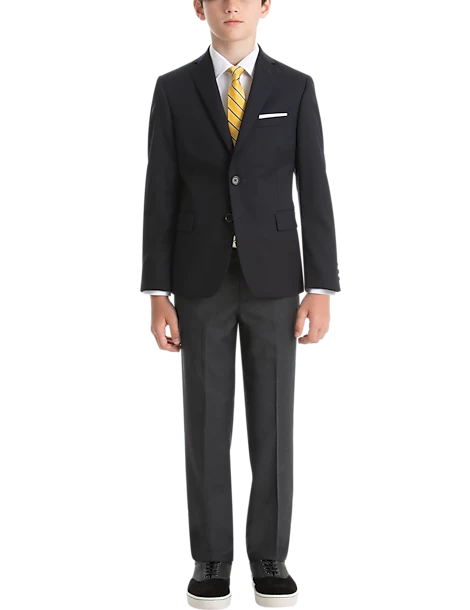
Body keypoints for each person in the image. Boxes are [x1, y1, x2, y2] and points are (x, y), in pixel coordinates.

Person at [140, 0, 341, 607]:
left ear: (266, 6)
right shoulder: (172, 90)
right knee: (205, 422)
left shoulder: (295, 88)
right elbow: (158, 192)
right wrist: (156, 291)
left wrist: (321, 286)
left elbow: (316, 187)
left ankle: (271, 554)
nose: (232, 6)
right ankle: (211, 557)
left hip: (276, 279)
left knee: (273, 421)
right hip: (198, 280)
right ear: (197, 6)